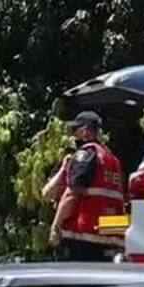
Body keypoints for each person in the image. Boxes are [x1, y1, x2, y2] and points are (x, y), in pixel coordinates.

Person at [43, 110, 126, 261]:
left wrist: (55, 227)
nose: (72, 135)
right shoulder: (113, 160)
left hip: (82, 238)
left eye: (74, 130)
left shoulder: (86, 155)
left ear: (85, 131)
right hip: (110, 238)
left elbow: (71, 194)